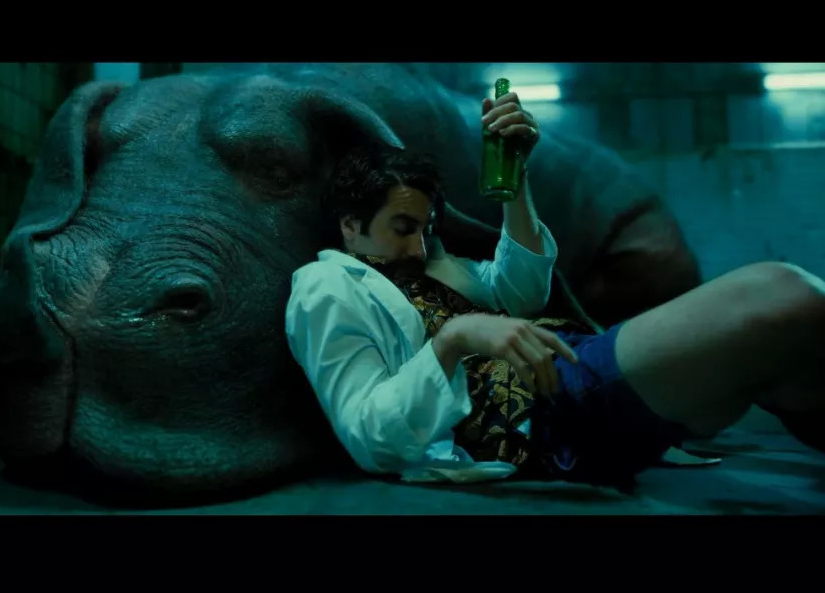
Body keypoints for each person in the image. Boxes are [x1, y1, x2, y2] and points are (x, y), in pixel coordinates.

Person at [284, 91, 825, 487]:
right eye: (403, 228)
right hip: (542, 411)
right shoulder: (326, 286)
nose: (419, 246)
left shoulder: (434, 269)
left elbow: (521, 291)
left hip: (571, 364)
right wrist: (454, 338)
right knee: (783, 292)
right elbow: (368, 437)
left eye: (427, 230)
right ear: (350, 224)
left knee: (796, 357)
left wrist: (515, 180)